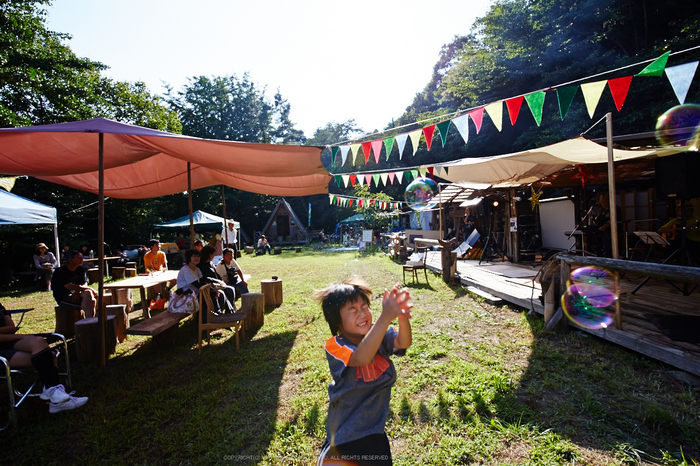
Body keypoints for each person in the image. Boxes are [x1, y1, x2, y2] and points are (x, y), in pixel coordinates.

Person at [315, 278, 413, 466]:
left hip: (375, 434)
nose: (362, 313)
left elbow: (403, 342)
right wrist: (385, 317)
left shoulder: (378, 333)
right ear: (338, 321)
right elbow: (361, 358)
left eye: (364, 306)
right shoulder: (335, 345)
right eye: (353, 310)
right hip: (344, 441)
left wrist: (402, 316)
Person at [0, 304, 88, 413]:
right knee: (49, 357)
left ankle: (51, 391)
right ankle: (57, 401)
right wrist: (21, 336)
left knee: (38, 342)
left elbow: (11, 328)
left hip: (8, 342)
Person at [52, 250, 98, 319]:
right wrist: (89, 288)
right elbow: (69, 286)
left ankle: (90, 319)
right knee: (91, 298)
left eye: (82, 257)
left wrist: (77, 291)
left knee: (91, 294)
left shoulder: (81, 269)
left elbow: (84, 283)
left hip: (77, 294)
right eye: (78, 258)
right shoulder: (60, 271)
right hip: (64, 298)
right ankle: (90, 319)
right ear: (70, 260)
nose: (81, 260)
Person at [196, 246, 235, 312]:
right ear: (209, 254)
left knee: (231, 289)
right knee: (222, 293)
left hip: (216, 284)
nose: (214, 256)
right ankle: (219, 313)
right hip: (209, 287)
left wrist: (221, 281)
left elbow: (216, 274)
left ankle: (229, 312)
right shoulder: (201, 265)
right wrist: (216, 282)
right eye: (213, 254)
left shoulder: (210, 263)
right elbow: (204, 278)